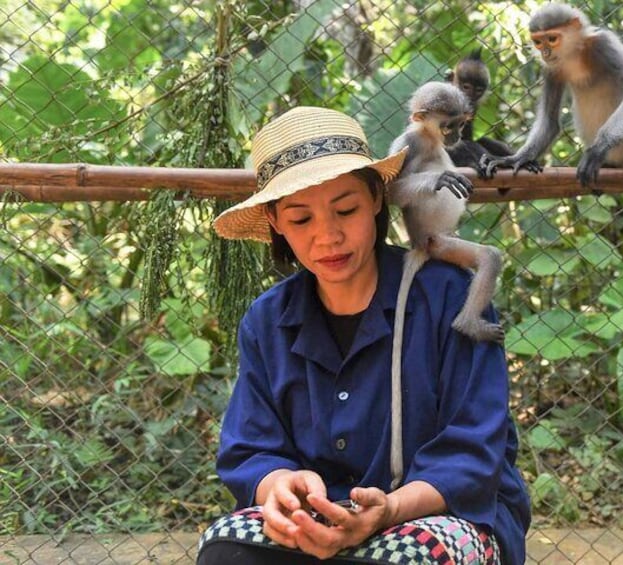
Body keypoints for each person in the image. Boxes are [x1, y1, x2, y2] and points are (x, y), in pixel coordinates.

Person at [196, 106, 530, 565]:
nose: (328, 236)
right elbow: (251, 447)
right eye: (300, 219)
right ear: (274, 222)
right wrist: (281, 486)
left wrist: (389, 510)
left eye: (346, 209)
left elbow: (474, 449)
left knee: (407, 557)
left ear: (376, 199)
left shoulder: (452, 297)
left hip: (437, 515)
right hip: (319, 516)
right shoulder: (267, 320)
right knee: (226, 548)